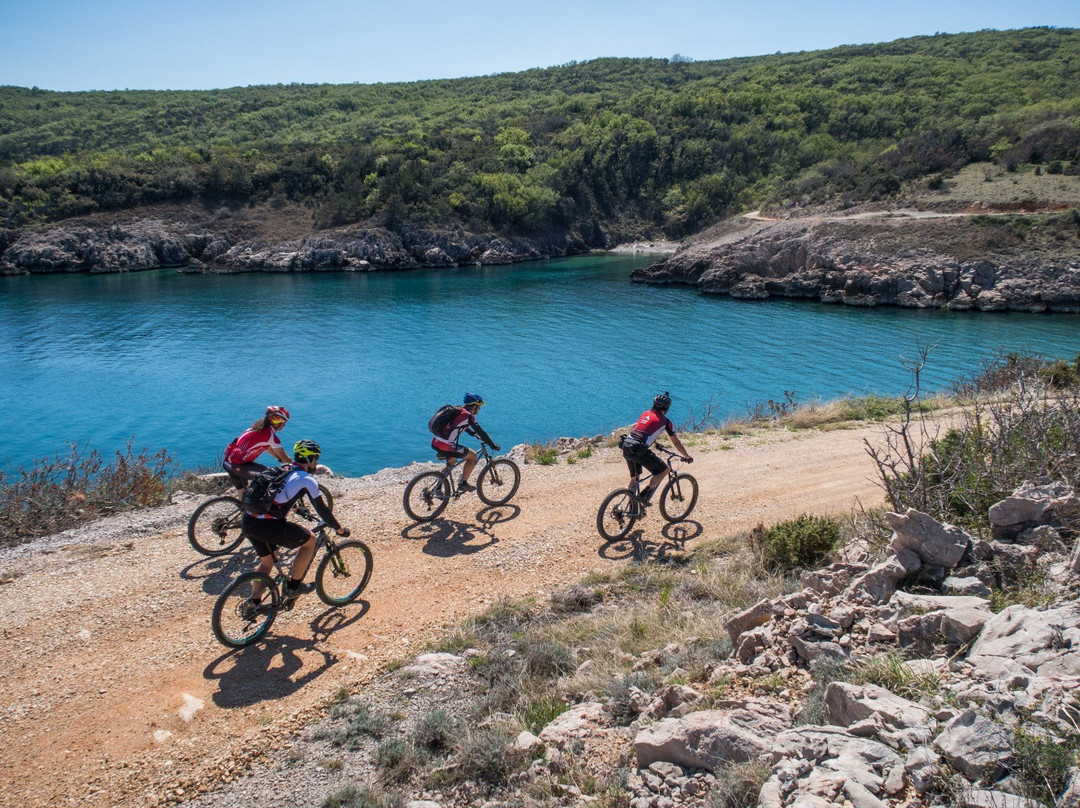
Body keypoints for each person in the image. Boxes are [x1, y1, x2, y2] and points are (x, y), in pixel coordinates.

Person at [242, 439, 349, 609]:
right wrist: (339, 529)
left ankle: (253, 604)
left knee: (267, 562)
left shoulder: (281, 470)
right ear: (310, 460)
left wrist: (298, 509)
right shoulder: (306, 479)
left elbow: (276, 497)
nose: (317, 462)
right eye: (316, 458)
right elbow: (322, 510)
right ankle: (294, 587)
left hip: (248, 521)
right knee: (310, 540)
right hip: (267, 526)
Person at [620, 392, 693, 506]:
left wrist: (656, 443)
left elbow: (643, 431)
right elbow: (676, 442)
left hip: (627, 445)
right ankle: (644, 495)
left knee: (634, 479)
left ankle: (630, 508)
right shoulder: (665, 422)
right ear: (667, 408)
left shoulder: (645, 413)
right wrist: (687, 456)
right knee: (664, 470)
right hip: (638, 449)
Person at [431, 393, 500, 493]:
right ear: (475, 406)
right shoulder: (469, 417)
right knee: (472, 456)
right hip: (446, 446)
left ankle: (437, 489)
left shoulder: (458, 410)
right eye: (479, 407)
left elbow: (459, 424)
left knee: (452, 462)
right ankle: (463, 483)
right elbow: (481, 431)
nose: (479, 409)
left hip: (435, 442)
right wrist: (492, 445)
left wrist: (471, 433)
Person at [223, 406, 292, 492]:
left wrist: (279, 459)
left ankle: (242, 505)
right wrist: (297, 466)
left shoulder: (257, 428)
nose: (285, 424)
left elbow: (268, 448)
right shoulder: (270, 435)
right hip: (238, 465)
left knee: (243, 496)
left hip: (228, 463)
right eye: (284, 421)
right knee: (272, 476)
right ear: (276, 421)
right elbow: (286, 459)